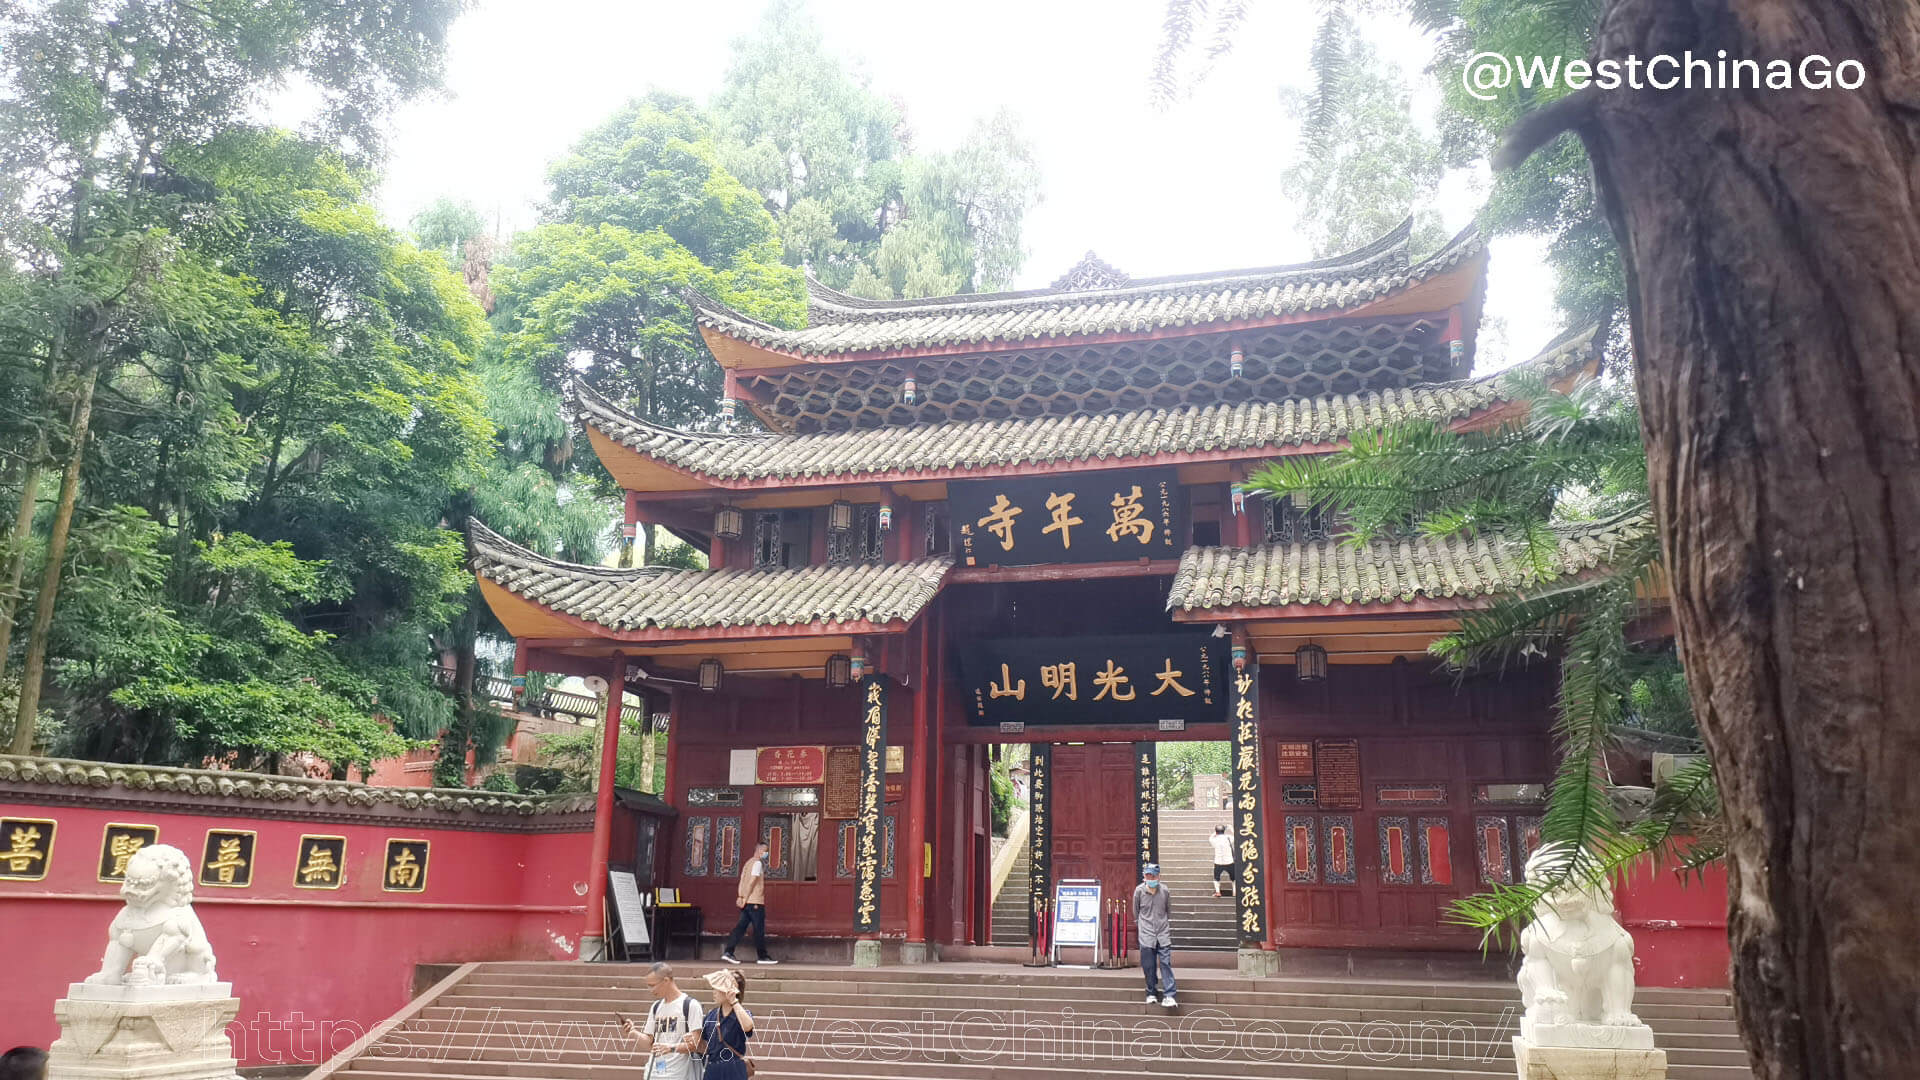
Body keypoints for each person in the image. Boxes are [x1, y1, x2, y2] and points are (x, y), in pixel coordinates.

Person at [621, 962, 701, 1079]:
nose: (650, 990)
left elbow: (695, 1044)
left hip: (680, 1073)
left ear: (666, 981)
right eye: (648, 986)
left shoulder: (690, 1005)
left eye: (652, 985)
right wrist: (633, 1032)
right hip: (656, 1071)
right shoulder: (656, 1007)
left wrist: (671, 1048)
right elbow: (650, 1043)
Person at [720, 841, 778, 965]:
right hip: (755, 901)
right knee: (759, 929)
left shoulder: (747, 863)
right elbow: (752, 881)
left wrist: (741, 896)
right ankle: (762, 956)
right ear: (760, 851)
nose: (766, 853)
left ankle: (728, 951)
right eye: (765, 851)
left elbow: (742, 881)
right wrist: (745, 897)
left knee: (740, 928)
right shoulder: (757, 863)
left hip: (746, 901)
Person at [696, 968, 754, 1080]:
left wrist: (734, 1001)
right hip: (713, 1068)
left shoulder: (742, 1014)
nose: (714, 992)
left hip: (734, 1069)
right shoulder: (711, 1015)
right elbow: (704, 1044)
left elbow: (748, 1026)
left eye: (717, 989)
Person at [1134, 862, 1176, 1008]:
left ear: (1159, 877)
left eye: (1153, 875)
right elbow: (1136, 912)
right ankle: (1151, 992)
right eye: (1147, 875)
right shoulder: (1139, 891)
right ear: (1144, 876)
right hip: (1146, 934)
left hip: (1163, 933)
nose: (1150, 878)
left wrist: (1163, 924)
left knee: (1165, 963)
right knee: (1148, 965)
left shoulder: (1165, 890)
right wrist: (1142, 926)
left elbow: (1168, 911)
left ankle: (1169, 995)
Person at [1209, 824, 1235, 898]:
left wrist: (1216, 832)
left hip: (1218, 862)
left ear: (1216, 832)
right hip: (1229, 861)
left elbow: (1211, 836)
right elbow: (1236, 836)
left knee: (1216, 878)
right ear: (1224, 831)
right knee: (1233, 878)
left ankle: (1218, 892)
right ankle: (1234, 892)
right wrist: (1230, 828)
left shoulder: (1213, 840)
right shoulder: (1229, 838)